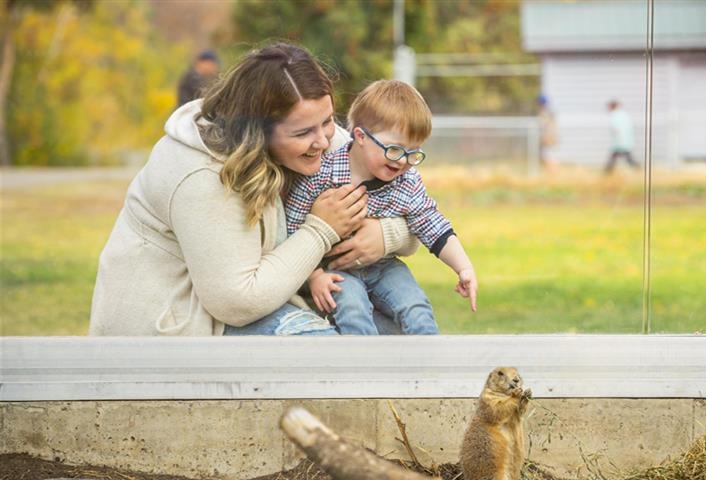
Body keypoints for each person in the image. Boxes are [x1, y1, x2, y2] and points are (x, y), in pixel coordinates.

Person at [89, 42, 419, 336]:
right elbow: (236, 302)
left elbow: (415, 203)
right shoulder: (202, 174)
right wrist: (322, 230)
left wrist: (386, 234)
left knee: (398, 336)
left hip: (264, 301)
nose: (324, 141)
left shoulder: (327, 143)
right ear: (258, 132)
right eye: (303, 132)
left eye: (328, 121)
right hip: (178, 328)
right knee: (325, 352)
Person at [285, 79, 478, 335]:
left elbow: (433, 225)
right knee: (352, 310)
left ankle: (429, 367)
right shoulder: (320, 175)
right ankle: (365, 371)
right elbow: (292, 228)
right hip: (338, 269)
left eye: (413, 153)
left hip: (384, 266)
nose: (404, 162)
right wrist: (315, 276)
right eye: (395, 150)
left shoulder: (406, 180)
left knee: (416, 308)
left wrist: (464, 267)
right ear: (361, 136)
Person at [604, 100, 639, 174]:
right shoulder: (624, 115)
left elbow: (616, 129)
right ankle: (607, 171)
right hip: (626, 140)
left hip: (619, 141)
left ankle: (607, 172)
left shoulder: (614, 116)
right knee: (625, 157)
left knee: (618, 157)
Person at [536, 94, 558, 171]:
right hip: (548, 138)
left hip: (548, 138)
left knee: (548, 156)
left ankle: (553, 172)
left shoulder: (546, 113)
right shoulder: (547, 112)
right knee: (546, 155)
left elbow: (546, 126)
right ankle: (552, 172)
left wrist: (546, 138)